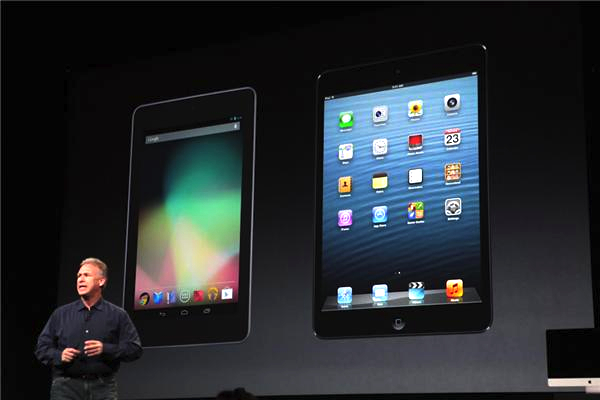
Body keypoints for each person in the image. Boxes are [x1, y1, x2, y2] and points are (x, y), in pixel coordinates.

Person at [35, 257, 143, 399]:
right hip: (65, 388)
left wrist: (105, 349)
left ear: (101, 281)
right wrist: (59, 355)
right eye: (79, 276)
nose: (80, 279)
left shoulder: (117, 315)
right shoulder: (61, 314)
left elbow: (134, 349)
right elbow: (41, 348)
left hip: (103, 387)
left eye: (86, 275)